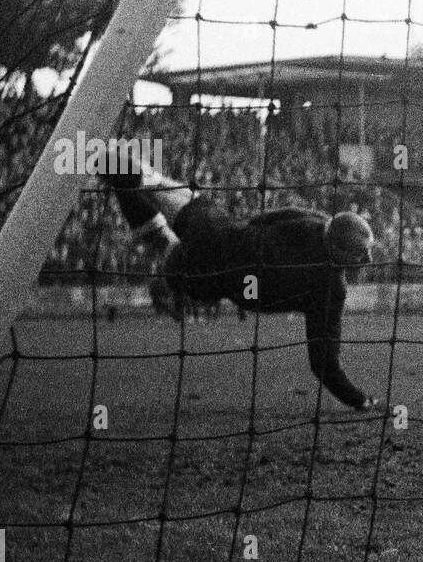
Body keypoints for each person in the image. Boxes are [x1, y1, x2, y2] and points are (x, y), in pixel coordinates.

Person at [104, 160, 379, 410]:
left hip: (215, 227)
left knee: (146, 180)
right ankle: (121, 180)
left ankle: (108, 162)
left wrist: (243, 234)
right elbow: (323, 363)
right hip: (215, 274)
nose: (366, 260)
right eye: (360, 254)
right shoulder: (331, 288)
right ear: (341, 254)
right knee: (163, 245)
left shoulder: (316, 221)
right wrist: (359, 400)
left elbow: (270, 217)